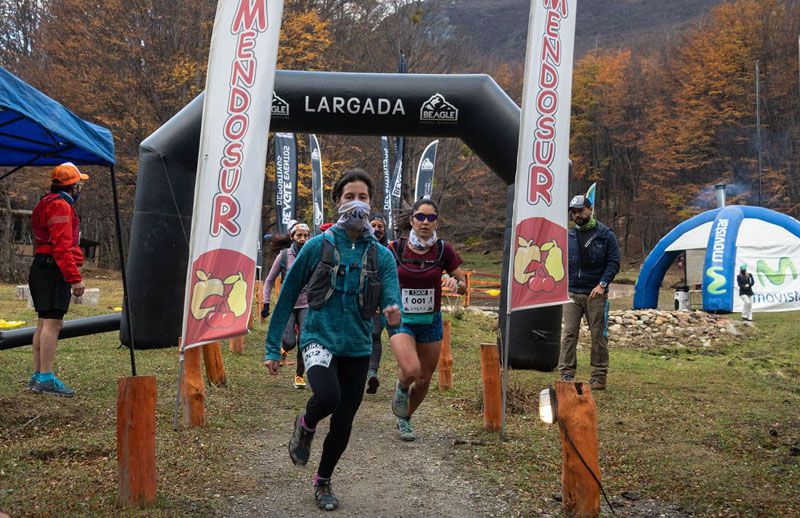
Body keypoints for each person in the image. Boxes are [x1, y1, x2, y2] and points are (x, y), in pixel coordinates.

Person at [264, 169, 402, 511]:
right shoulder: (316, 246)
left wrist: (393, 310)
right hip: (318, 337)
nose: (356, 204)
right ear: (337, 202)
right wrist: (272, 348)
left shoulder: (382, 255)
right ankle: (306, 424)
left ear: (371, 204)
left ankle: (323, 480)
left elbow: (391, 294)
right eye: (349, 197)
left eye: (363, 197)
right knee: (328, 396)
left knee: (343, 421)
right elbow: (288, 295)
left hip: (358, 345)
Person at [388, 199, 467, 441]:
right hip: (402, 318)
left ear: (436, 222)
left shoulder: (443, 250)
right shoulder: (396, 248)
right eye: (420, 217)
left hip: (430, 320)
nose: (425, 222)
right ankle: (402, 387)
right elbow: (380, 276)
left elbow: (463, 284)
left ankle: (405, 419)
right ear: (412, 220)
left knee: (423, 379)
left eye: (431, 218)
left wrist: (456, 283)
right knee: (411, 370)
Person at [27, 163, 88, 397]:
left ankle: (38, 374)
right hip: (52, 269)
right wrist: (74, 278)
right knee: (52, 324)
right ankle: (45, 377)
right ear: (74, 187)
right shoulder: (60, 206)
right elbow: (61, 247)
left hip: (42, 266)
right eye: (79, 185)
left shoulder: (45, 202)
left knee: (44, 322)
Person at [558, 194, 620, 391]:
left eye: (580, 211)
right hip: (571, 293)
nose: (577, 215)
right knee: (569, 334)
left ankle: (599, 376)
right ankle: (566, 374)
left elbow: (614, 262)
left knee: (598, 335)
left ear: (590, 209)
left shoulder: (605, 234)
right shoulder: (568, 235)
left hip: (595, 294)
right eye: (573, 212)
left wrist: (602, 284)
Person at [262, 220, 310, 389]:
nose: (302, 239)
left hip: (307, 305)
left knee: (304, 340)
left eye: (306, 236)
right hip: (287, 304)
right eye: (299, 235)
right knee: (289, 342)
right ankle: (283, 349)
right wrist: (266, 303)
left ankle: (299, 375)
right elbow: (269, 281)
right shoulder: (283, 256)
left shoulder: (311, 255)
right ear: (292, 236)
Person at [366, 212, 388, 394]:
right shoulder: (360, 246)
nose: (376, 229)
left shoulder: (390, 251)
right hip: (358, 300)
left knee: (375, 335)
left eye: (380, 226)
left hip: (380, 303)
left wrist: (384, 300)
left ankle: (372, 373)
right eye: (373, 225)